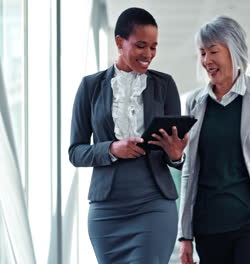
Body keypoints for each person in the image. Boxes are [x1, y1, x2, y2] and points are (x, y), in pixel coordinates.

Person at [68, 7, 188, 264]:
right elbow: (75, 152)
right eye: (141, 46)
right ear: (120, 42)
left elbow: (173, 153)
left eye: (154, 47)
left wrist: (176, 155)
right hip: (106, 210)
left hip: (153, 204)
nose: (148, 55)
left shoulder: (165, 85)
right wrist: (111, 149)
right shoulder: (90, 87)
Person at [178, 16, 250, 264]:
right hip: (208, 226)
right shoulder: (194, 103)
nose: (206, 60)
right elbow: (189, 171)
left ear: (234, 51)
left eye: (213, 51)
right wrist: (184, 234)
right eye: (202, 52)